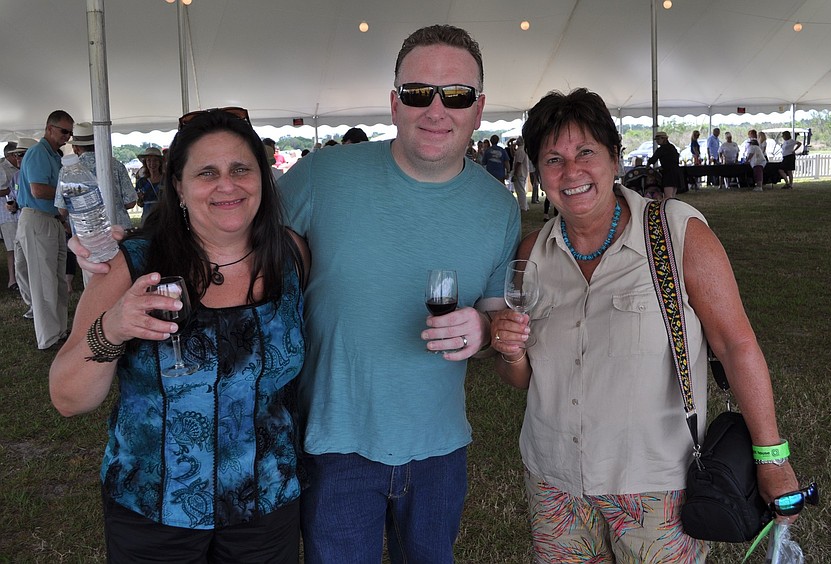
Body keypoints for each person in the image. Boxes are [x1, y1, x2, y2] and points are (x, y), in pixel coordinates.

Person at [489, 88, 799, 563]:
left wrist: (771, 457)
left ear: (615, 158)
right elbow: (524, 378)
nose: (571, 171)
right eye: (553, 160)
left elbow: (736, 345)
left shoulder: (674, 233)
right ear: (538, 172)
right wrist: (509, 352)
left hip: (657, 490)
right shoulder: (533, 253)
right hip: (554, 483)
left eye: (586, 152)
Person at [279, 24, 519, 562]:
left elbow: (496, 322)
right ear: (394, 103)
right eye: (417, 93)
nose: (436, 110)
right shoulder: (322, 176)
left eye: (455, 94)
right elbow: (231, 238)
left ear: (478, 109)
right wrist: (129, 251)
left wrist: (484, 331)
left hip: (440, 449)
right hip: (334, 444)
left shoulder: (498, 208)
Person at [49, 107, 309, 562]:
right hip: (153, 511)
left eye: (241, 169)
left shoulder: (291, 255)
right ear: (179, 187)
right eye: (207, 173)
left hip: (267, 503)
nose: (227, 185)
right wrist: (113, 327)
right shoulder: (132, 265)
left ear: (263, 180)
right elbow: (68, 398)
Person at [15, 110, 73, 351]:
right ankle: (49, 337)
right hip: (38, 220)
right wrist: (69, 193)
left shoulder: (53, 155)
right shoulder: (38, 152)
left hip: (51, 220)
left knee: (57, 280)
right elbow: (38, 190)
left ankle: (59, 330)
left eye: (70, 133)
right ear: (50, 128)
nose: (67, 137)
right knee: (44, 281)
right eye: (64, 131)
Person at [56, 122, 137, 230]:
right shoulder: (116, 165)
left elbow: (62, 209)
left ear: (75, 148)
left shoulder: (66, 171)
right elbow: (131, 202)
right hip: (118, 228)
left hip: (87, 231)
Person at [1, 141, 21, 290]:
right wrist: (11, 190)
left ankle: (21, 277)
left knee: (20, 246)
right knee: (11, 248)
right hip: (7, 215)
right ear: (11, 155)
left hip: (19, 213)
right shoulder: (2, 169)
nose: (18, 157)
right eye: (17, 154)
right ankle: (12, 280)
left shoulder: (18, 168)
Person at [646, 131, 681, 199]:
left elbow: (652, 160)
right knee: (672, 196)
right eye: (656, 139)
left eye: (658, 139)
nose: (657, 141)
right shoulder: (672, 147)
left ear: (664, 139)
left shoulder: (661, 149)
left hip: (668, 174)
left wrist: (647, 166)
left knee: (668, 197)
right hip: (676, 172)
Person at [134, 146, 164, 225]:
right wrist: (140, 198)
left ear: (160, 162)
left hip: (164, 217)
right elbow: (140, 204)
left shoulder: (166, 180)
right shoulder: (141, 182)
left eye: (155, 160)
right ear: (145, 163)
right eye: (149, 160)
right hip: (147, 218)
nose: (152, 163)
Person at [511, 136, 530, 211]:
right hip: (522, 172)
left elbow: (518, 163)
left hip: (520, 173)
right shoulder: (521, 150)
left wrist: (515, 174)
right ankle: (524, 205)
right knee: (521, 190)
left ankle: (523, 206)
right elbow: (514, 155)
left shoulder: (521, 150)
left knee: (520, 191)